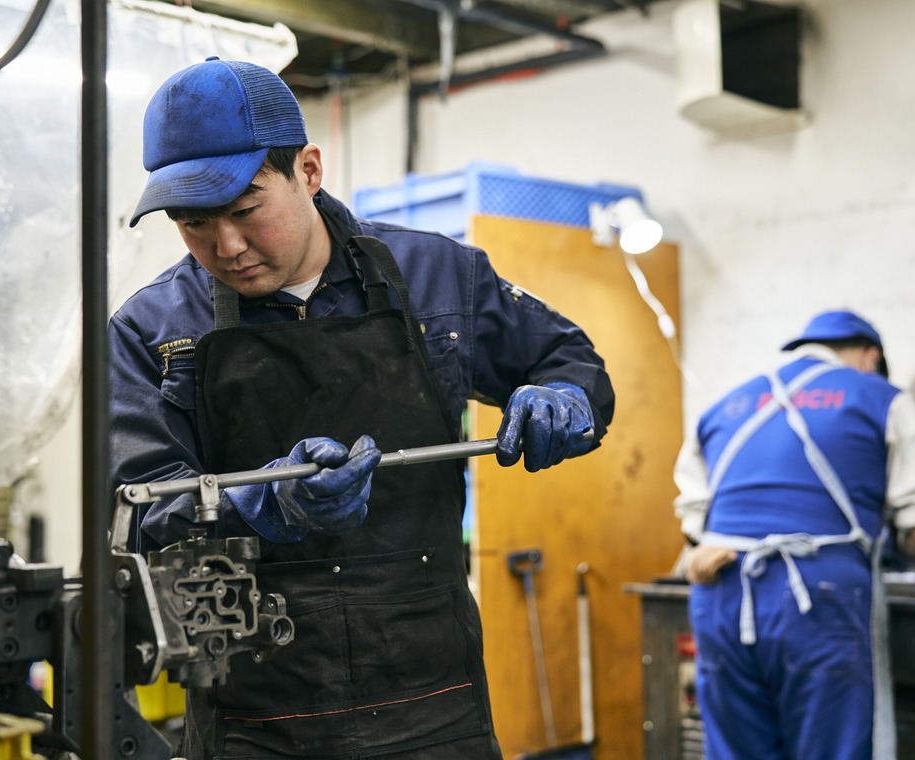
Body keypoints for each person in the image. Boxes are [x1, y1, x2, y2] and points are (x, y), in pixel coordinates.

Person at [108, 57, 613, 759]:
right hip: (255, 717)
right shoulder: (155, 331)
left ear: (308, 171)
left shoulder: (438, 278)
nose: (227, 247)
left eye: (246, 210)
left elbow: (571, 362)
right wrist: (266, 504)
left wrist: (564, 396)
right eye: (194, 224)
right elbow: (134, 515)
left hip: (432, 702)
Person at [672, 309, 915, 760]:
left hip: (719, 590)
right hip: (815, 597)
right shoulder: (881, 397)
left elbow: (695, 521)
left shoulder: (729, 403)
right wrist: (889, 549)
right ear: (870, 356)